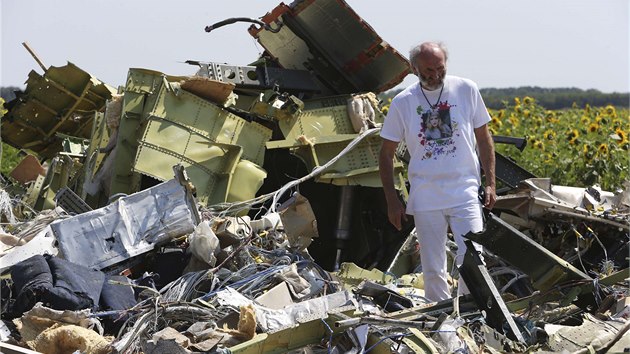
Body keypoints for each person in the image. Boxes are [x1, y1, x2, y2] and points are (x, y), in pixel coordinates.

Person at [378, 41, 496, 302]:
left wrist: (490, 183)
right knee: (433, 268)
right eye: (427, 71)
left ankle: (472, 314)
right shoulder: (403, 102)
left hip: (464, 191)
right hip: (425, 196)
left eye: (439, 68)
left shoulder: (466, 89)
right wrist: (391, 200)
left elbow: (485, 138)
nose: (434, 75)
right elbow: (385, 154)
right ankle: (440, 319)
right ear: (414, 68)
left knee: (474, 259)